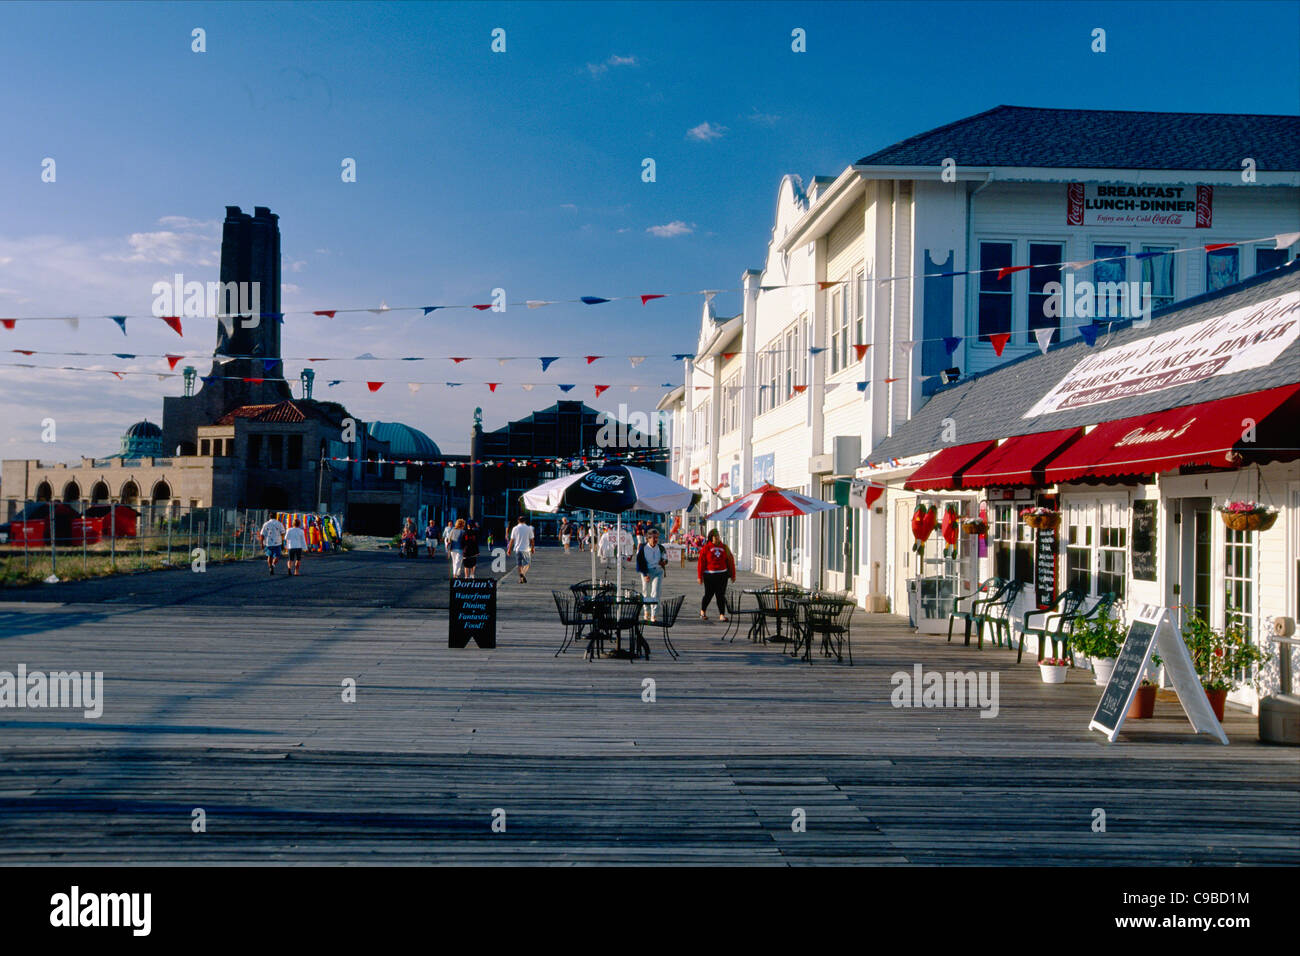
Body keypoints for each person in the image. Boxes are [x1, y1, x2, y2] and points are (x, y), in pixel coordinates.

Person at [697, 529, 735, 621]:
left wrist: (733, 575)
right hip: (709, 575)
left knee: (720, 595)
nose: (717, 538)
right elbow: (701, 563)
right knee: (708, 594)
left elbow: (730, 561)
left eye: (718, 536)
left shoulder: (724, 547)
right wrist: (699, 576)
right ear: (711, 538)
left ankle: (722, 614)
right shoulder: (706, 548)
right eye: (715, 536)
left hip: (722, 575)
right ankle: (703, 612)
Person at [636, 528, 668, 622]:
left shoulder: (661, 548)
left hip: (657, 571)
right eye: (653, 538)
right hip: (646, 571)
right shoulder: (643, 548)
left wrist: (664, 562)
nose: (655, 540)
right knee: (646, 592)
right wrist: (645, 574)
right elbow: (639, 562)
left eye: (656, 538)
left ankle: (654, 615)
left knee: (656, 592)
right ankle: (646, 612)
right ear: (648, 538)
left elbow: (665, 559)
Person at [506, 514, 535, 584]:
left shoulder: (515, 528)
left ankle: (521, 579)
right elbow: (532, 540)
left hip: (517, 549)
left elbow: (512, 540)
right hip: (526, 549)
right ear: (525, 521)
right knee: (527, 564)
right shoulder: (529, 528)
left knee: (519, 565)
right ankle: (523, 574)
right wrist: (532, 548)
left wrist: (509, 549)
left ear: (518, 521)